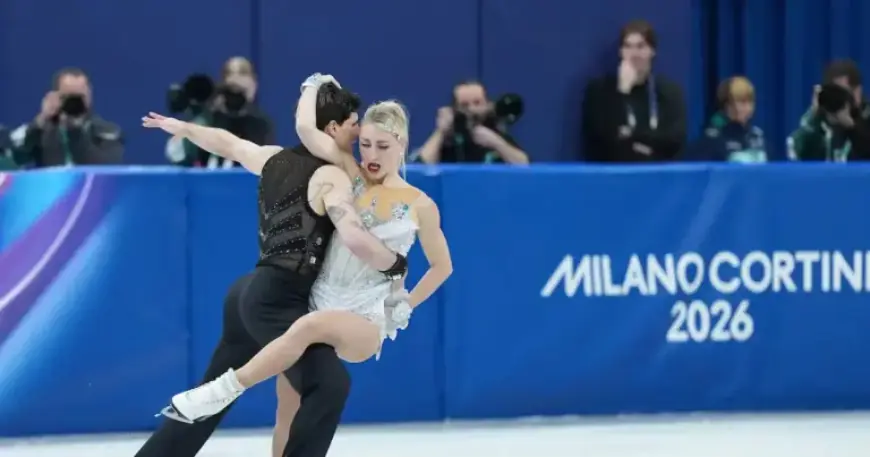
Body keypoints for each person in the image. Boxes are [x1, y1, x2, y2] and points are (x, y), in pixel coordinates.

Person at [134, 74, 409, 457]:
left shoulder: (273, 157)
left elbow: (229, 144)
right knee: (329, 386)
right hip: (279, 301)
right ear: (332, 128)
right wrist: (395, 264)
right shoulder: (333, 177)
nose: (358, 131)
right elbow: (352, 234)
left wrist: (184, 129)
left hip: (246, 294)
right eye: (352, 124)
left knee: (212, 394)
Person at [582, 20, 686, 162]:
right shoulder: (599, 91)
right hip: (616, 171)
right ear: (620, 52)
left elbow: (675, 140)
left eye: (640, 46)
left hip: (658, 170)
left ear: (652, 51)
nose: (634, 54)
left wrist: (632, 137)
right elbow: (604, 139)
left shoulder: (668, 92)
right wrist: (623, 91)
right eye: (628, 46)